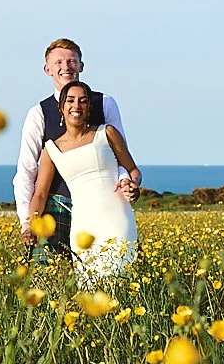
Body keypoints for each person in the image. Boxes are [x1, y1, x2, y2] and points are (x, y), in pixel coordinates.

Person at [13, 38, 137, 259]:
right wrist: (27, 222)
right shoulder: (38, 113)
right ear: (47, 69)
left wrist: (125, 183)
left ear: (81, 66)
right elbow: (26, 171)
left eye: (71, 61)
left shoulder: (105, 104)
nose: (66, 67)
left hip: (105, 204)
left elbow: (121, 157)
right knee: (51, 273)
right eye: (58, 62)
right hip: (55, 205)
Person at [24, 80, 141, 284]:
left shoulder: (107, 133)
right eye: (70, 100)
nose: (76, 106)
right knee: (89, 286)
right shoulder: (50, 149)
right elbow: (40, 194)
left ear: (89, 108)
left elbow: (133, 170)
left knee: (122, 281)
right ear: (61, 107)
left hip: (117, 218)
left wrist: (133, 185)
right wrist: (31, 225)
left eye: (83, 101)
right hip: (83, 225)